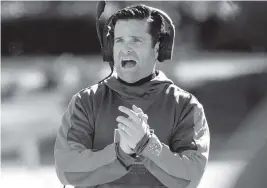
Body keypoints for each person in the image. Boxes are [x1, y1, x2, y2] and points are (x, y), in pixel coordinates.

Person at [54, 4, 210, 188]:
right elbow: (67, 171)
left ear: (158, 47)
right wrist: (120, 154)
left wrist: (147, 144)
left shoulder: (185, 106)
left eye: (136, 40)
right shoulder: (85, 102)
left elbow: (190, 177)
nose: (125, 49)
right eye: (119, 40)